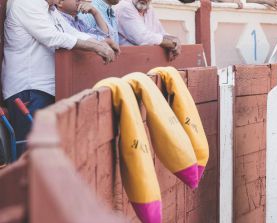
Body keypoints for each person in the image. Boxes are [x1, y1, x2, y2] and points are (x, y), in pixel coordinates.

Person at [2, 0, 117, 155]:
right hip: (28, 90)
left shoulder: (50, 9)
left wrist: (100, 42)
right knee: (31, 155)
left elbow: (71, 32)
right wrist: (96, 47)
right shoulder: (26, 2)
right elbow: (52, 37)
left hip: (43, 89)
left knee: (44, 153)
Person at [115, 0, 181, 60]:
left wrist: (175, 39)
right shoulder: (125, 6)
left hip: (144, 59)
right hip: (125, 60)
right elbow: (142, 38)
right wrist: (170, 43)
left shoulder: (149, 9)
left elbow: (160, 33)